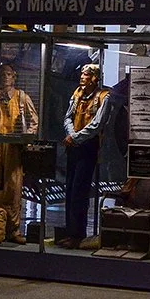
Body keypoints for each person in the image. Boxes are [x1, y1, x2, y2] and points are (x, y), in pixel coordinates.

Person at [0, 61, 38, 244]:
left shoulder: (21, 97)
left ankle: (13, 230)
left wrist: (26, 139)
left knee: (13, 189)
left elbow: (34, 120)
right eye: (2, 74)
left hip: (13, 147)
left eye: (9, 74)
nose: (5, 77)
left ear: (14, 77)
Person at [58, 63, 111, 250]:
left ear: (94, 78)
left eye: (86, 74)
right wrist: (72, 135)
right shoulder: (77, 94)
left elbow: (97, 124)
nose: (82, 77)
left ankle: (78, 235)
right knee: (70, 189)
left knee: (80, 191)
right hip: (73, 146)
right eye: (82, 73)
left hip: (89, 147)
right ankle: (70, 232)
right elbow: (68, 117)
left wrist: (76, 137)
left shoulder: (104, 97)